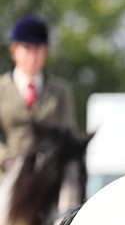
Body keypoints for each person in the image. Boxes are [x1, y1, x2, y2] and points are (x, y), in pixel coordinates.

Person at [0, 16, 78, 172]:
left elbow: (68, 132)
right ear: (14, 51)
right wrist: (6, 159)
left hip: (48, 174)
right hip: (6, 175)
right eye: (27, 48)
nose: (33, 56)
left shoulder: (60, 91)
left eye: (38, 49)